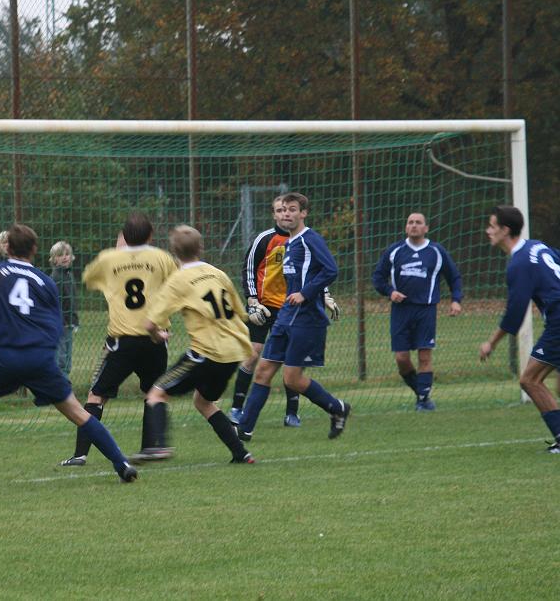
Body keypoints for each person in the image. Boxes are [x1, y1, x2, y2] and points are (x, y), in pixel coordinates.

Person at [0, 224, 138, 487]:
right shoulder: (46, 281)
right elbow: (56, 325)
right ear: (34, 250)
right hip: (39, 359)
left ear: (6, 247)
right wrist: (45, 356)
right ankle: (121, 464)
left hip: (2, 358)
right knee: (77, 412)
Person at [58, 212, 178, 467]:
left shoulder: (109, 259)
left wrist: (119, 258)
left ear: (123, 236)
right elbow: (176, 287)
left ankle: (80, 455)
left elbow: (89, 279)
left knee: (96, 396)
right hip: (155, 338)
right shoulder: (162, 257)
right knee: (154, 392)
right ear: (150, 235)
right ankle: (151, 447)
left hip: (121, 341)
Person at [133, 225, 256, 464]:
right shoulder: (217, 273)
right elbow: (240, 313)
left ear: (173, 251)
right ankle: (241, 453)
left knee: (156, 394)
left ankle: (158, 447)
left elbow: (150, 324)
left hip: (207, 352)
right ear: (201, 247)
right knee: (203, 402)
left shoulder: (178, 279)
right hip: (233, 352)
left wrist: (158, 336)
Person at [236, 192, 351, 441]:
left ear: (303, 213)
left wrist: (306, 293)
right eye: (283, 209)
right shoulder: (288, 243)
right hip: (285, 317)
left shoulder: (310, 239)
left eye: (292, 209)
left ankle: (337, 408)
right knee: (263, 370)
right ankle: (243, 430)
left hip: (306, 321)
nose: (287, 213)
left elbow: (330, 269)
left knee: (293, 378)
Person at [478, 205, 560, 455]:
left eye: (492, 226)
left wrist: (491, 342)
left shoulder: (519, 263)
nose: (488, 231)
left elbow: (515, 313)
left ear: (505, 230)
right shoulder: (537, 246)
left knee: (530, 380)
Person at [372, 212, 463, 410]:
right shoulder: (394, 251)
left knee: (424, 356)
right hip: (400, 311)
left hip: (426, 310)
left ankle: (423, 401)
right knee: (401, 359)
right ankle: (422, 394)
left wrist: (456, 300)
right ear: (406, 227)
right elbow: (378, 278)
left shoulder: (436, 251)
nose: (414, 225)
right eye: (410, 222)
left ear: (426, 228)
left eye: (418, 222)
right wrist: (390, 292)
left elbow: (454, 277)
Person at [49, 241, 79, 376]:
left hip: (68, 323)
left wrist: (74, 319)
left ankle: (64, 383)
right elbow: (54, 303)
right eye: (61, 255)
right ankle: (59, 386)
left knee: (67, 357)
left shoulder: (69, 276)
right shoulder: (55, 278)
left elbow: (71, 301)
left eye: (67, 254)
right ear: (54, 259)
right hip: (58, 325)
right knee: (60, 358)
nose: (65, 257)